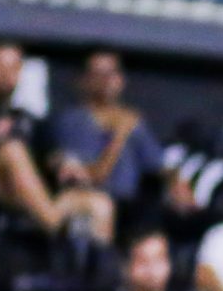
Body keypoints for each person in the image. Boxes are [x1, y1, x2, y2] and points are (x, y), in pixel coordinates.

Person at [0, 42, 115, 239]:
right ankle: (56, 228)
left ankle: (99, 257)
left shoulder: (27, 118)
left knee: (99, 203)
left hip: (35, 199)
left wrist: (64, 163)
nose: (6, 74)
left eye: (12, 67)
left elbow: (47, 155)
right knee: (12, 149)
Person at [45, 50, 195, 231]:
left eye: (112, 73)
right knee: (100, 207)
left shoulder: (132, 120)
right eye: (98, 74)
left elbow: (159, 164)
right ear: (84, 80)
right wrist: (119, 135)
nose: (106, 80)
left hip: (130, 208)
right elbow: (92, 177)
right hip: (92, 202)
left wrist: (176, 184)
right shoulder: (73, 120)